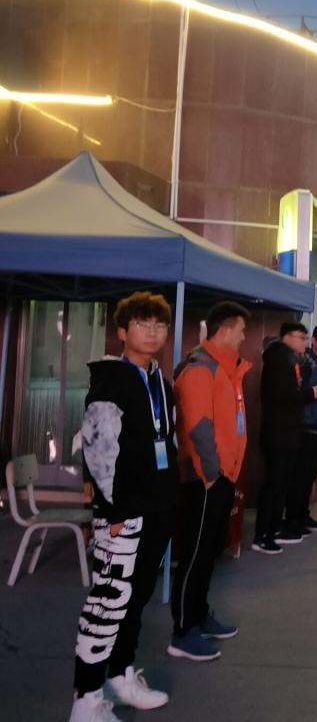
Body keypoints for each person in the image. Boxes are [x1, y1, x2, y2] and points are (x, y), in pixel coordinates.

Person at [71, 292, 177, 722]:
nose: (152, 332)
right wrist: (112, 512)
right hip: (122, 512)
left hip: (157, 507)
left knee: (137, 597)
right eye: (142, 324)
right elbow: (97, 450)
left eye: (159, 325)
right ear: (122, 331)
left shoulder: (161, 383)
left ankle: (121, 675)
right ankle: (86, 701)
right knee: (107, 603)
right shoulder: (112, 380)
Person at [169, 301, 252, 662]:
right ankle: (183, 631)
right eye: (242, 330)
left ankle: (200, 615)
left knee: (208, 551)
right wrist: (211, 472)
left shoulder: (226, 368)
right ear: (225, 329)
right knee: (194, 553)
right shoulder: (200, 368)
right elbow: (197, 425)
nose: (244, 337)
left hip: (222, 475)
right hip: (205, 478)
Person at [252, 322, 317, 552]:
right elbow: (284, 394)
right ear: (286, 337)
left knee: (283, 483)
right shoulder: (278, 360)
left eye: (305, 338)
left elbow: (295, 389)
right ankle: (262, 535)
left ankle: (276, 528)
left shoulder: (294, 360)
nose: (304, 343)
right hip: (278, 432)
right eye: (301, 338)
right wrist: (311, 392)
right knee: (274, 483)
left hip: (290, 431)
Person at [284, 322, 317, 536]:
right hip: (305, 426)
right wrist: (313, 394)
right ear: (314, 340)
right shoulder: (305, 360)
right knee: (300, 476)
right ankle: (292, 519)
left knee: (309, 476)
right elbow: (297, 391)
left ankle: (303, 515)